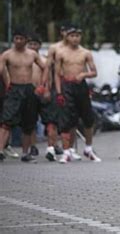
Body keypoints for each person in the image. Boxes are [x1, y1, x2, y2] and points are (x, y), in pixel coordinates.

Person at [54, 26, 101, 163]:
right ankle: (67, 150)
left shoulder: (85, 53)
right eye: (72, 36)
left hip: (81, 86)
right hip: (67, 86)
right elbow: (57, 74)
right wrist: (58, 93)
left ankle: (88, 148)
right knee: (68, 120)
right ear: (67, 37)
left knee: (88, 118)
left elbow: (94, 72)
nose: (75, 38)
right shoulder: (61, 53)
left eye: (77, 36)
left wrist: (83, 74)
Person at [0, 28, 46, 163]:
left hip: (29, 90)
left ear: (26, 40)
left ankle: (25, 154)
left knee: (29, 123)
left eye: (21, 38)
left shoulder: (32, 54)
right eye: (16, 38)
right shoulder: (7, 55)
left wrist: (42, 86)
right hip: (14, 90)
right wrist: (7, 83)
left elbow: (45, 68)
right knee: (6, 122)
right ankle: (0, 150)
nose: (18, 41)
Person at [27, 34, 61, 161]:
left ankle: (52, 147)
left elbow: (50, 77)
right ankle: (33, 146)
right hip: (30, 93)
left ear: (39, 46)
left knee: (51, 121)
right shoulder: (24, 60)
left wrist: (47, 89)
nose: (32, 46)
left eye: (35, 44)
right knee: (30, 122)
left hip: (44, 92)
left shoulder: (45, 60)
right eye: (30, 44)